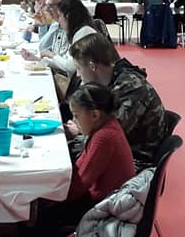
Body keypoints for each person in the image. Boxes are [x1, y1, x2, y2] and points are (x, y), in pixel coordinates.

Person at [23, 83, 135, 237]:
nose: (74, 120)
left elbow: (81, 184)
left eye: (76, 115)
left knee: (46, 217)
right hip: (109, 199)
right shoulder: (106, 128)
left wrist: (51, 197)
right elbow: (83, 169)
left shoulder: (104, 137)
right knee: (44, 207)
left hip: (108, 207)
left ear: (94, 114)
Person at [69, 33, 168, 170]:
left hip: (137, 161)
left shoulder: (131, 87)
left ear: (92, 66)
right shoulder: (114, 81)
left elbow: (109, 136)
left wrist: (80, 130)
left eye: (79, 68)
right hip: (122, 151)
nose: (78, 75)